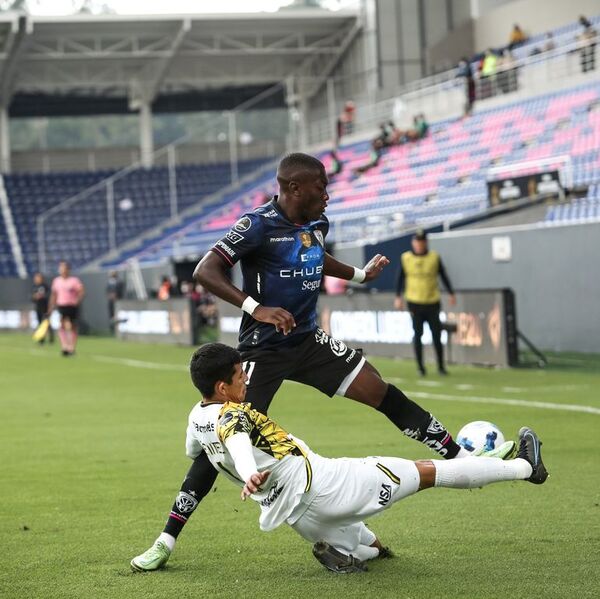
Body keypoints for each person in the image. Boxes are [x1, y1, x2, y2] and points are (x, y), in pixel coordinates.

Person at [131, 153, 516, 572]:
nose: (328, 195)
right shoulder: (257, 225)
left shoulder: (317, 222)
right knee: (226, 436)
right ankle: (166, 539)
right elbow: (206, 271)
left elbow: (315, 257)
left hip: (308, 340)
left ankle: (458, 456)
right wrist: (256, 307)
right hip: (263, 349)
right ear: (294, 189)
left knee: (379, 390)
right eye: (321, 187)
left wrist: (358, 275)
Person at [132, 342, 547, 573]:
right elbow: (238, 440)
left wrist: (241, 469)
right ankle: (525, 466)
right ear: (223, 387)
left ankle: (348, 552)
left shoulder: (196, 415)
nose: (247, 380)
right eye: (241, 376)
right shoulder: (234, 413)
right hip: (325, 485)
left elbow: (194, 449)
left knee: (374, 547)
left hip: (295, 515)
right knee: (430, 472)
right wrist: (247, 471)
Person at [394, 229, 455, 376]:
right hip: (414, 302)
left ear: (426, 242)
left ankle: (441, 366)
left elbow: (443, 275)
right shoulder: (406, 258)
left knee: (436, 335)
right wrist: (398, 296)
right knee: (418, 334)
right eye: (417, 241)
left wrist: (451, 293)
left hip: (432, 301)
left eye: (422, 241)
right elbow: (400, 278)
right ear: (413, 243)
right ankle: (420, 367)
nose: (419, 244)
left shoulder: (434, 257)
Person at [48, 260, 85, 356]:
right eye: (61, 268)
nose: (62, 270)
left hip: (72, 305)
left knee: (72, 326)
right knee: (62, 325)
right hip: (61, 305)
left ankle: (72, 347)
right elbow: (54, 295)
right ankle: (64, 346)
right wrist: (51, 306)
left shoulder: (74, 280)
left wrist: (78, 300)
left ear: (68, 269)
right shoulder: (56, 281)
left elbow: (81, 291)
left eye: (64, 268)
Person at [31, 272, 54, 344]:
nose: (36, 279)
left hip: (45, 307)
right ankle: (42, 339)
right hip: (38, 307)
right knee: (40, 323)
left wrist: (42, 296)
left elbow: (49, 295)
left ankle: (51, 338)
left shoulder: (45, 286)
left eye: (38, 277)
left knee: (46, 323)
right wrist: (34, 297)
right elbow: (32, 298)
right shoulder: (34, 287)